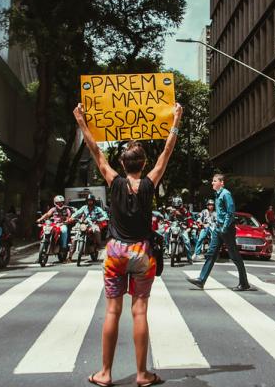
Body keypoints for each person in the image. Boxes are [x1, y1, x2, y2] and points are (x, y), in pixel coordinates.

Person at [73, 102, 182, 387]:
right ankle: (143, 374)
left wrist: (81, 121)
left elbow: (96, 151)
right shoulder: (150, 182)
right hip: (142, 253)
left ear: (122, 164)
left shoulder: (114, 182)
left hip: (116, 252)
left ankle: (105, 373)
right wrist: (176, 121)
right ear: (145, 164)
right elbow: (167, 153)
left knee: (112, 311)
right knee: (140, 311)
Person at [186, 173, 254, 291]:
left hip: (226, 229)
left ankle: (244, 283)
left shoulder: (226, 194)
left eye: (214, 181)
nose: (212, 183)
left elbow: (230, 212)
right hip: (218, 228)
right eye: (212, 181)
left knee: (234, 256)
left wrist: (225, 227)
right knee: (211, 254)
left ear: (221, 183)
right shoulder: (217, 195)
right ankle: (201, 280)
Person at [164, 196, 193, 264]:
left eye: (178, 206)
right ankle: (167, 248)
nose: (176, 207)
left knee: (187, 241)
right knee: (166, 233)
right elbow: (168, 219)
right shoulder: (171, 210)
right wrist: (166, 223)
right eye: (175, 206)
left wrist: (189, 227)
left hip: (182, 227)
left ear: (181, 204)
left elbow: (189, 219)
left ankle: (189, 258)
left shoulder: (185, 210)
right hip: (173, 226)